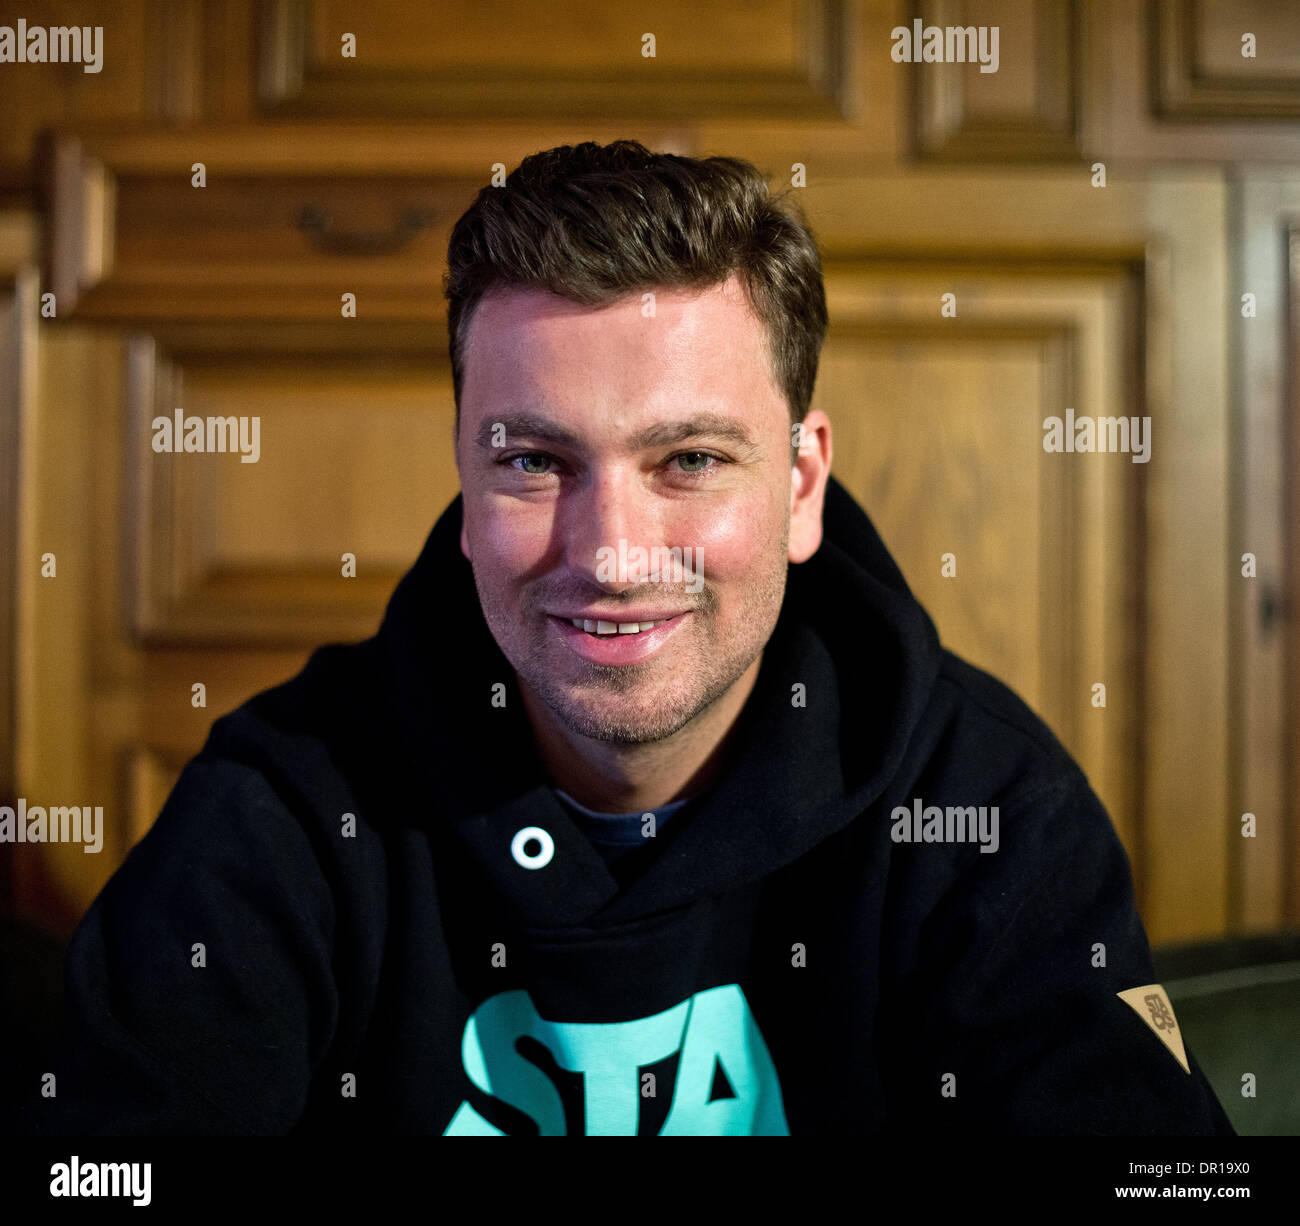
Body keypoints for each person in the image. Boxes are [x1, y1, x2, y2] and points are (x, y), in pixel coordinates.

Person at [15, 139, 1233, 1135]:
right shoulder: (284, 811)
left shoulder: (984, 807)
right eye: (536, 461)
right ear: (463, 473)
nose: (610, 549)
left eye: (689, 459)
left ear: (800, 486)